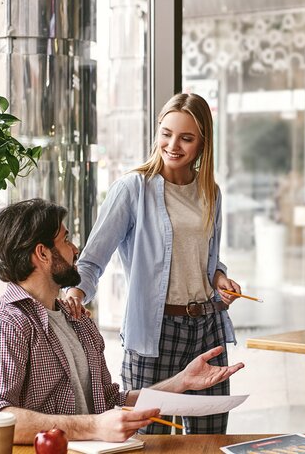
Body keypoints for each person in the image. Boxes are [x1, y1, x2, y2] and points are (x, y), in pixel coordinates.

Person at [0, 199, 244, 444]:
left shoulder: (76, 320)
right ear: (43, 253)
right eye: (66, 239)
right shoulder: (6, 324)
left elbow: (108, 402)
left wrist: (180, 382)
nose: (75, 249)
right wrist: (94, 427)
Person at [62, 93, 242, 435]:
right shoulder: (132, 189)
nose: (173, 145)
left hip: (207, 327)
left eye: (186, 138)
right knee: (147, 440)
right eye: (166, 133)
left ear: (203, 143)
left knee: (211, 439)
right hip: (155, 332)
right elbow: (92, 259)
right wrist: (76, 294)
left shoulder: (210, 193)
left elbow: (206, 258)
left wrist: (220, 277)